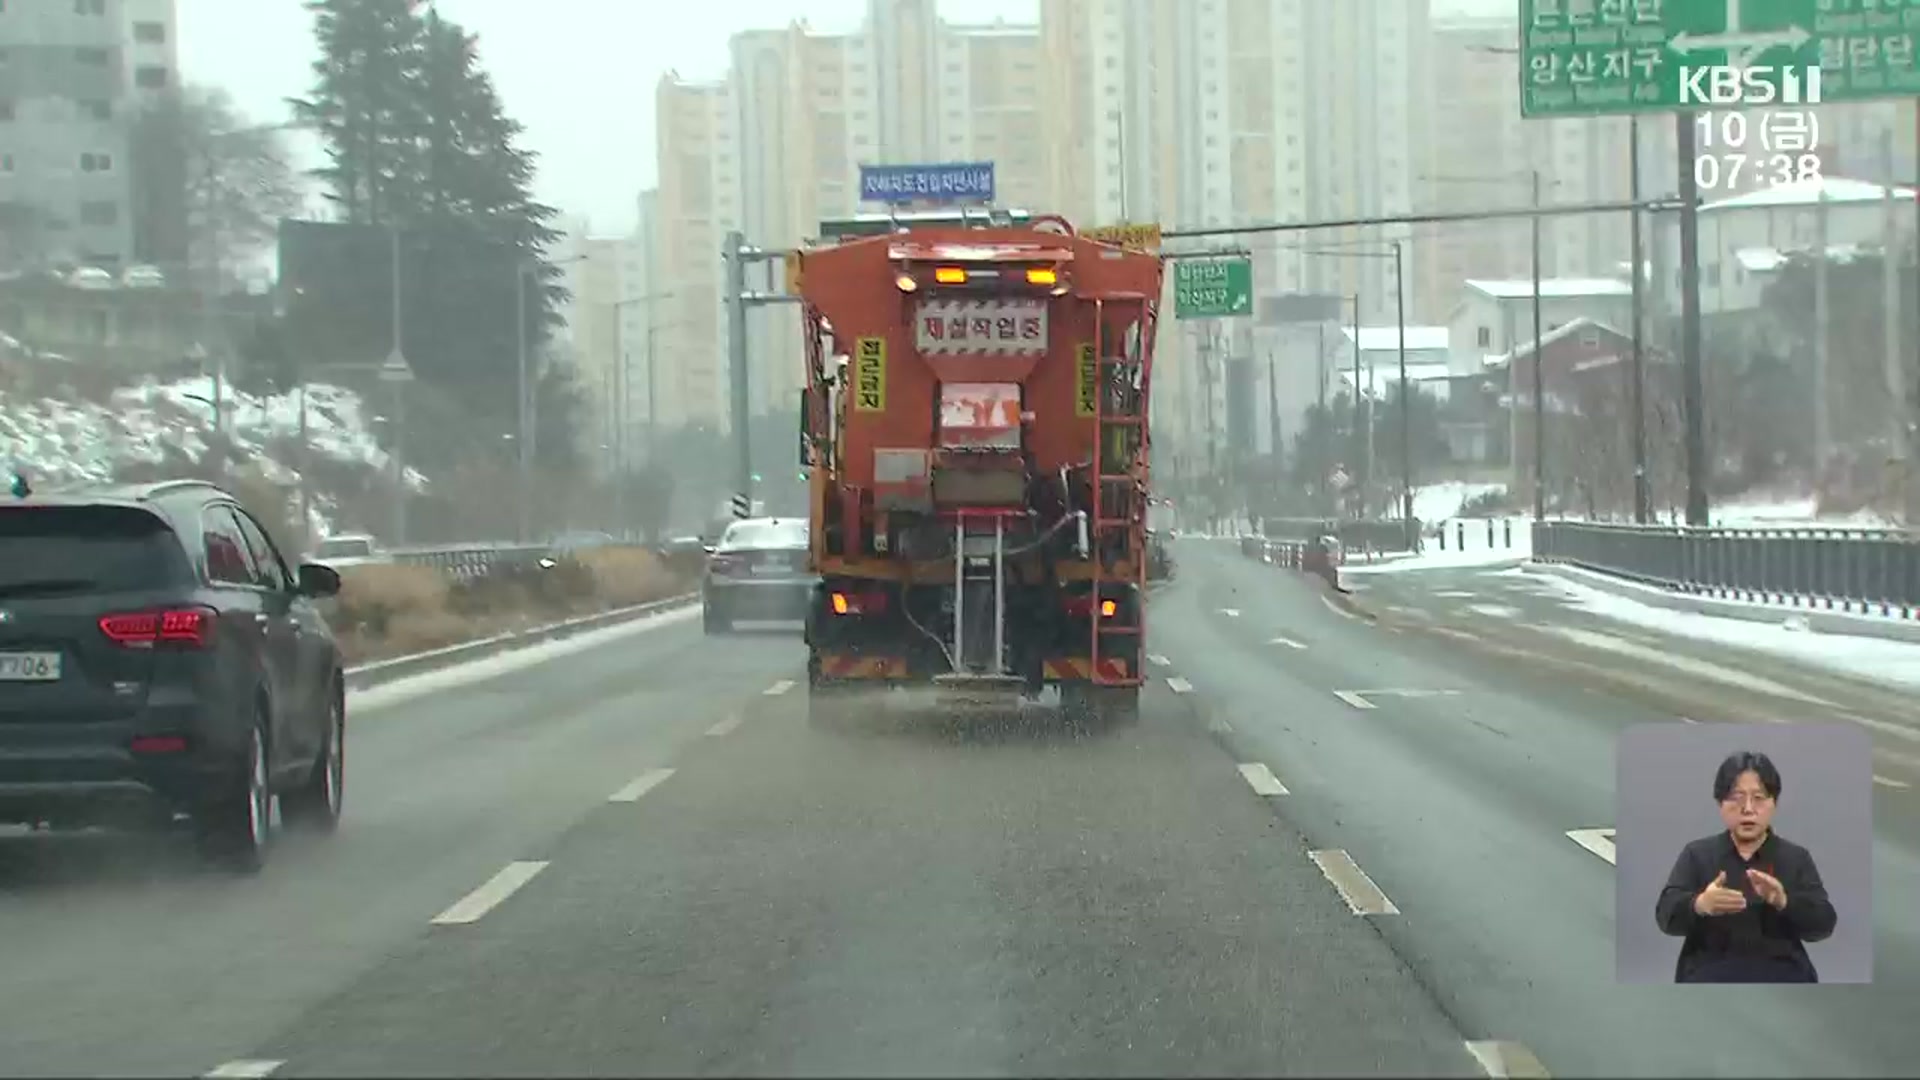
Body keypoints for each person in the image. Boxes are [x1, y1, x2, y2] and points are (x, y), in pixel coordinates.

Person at [1655, 750, 1838, 983]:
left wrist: (1785, 902)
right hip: (1709, 976)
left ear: (1774, 803)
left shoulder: (1795, 858)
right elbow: (1665, 917)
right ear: (1720, 804)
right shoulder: (1698, 854)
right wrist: (1699, 904)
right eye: (1736, 797)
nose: (1748, 809)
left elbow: (1823, 925)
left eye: (1759, 798)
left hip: (1782, 977)